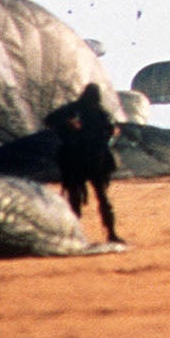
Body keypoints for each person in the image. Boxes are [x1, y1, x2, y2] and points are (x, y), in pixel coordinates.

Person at [45, 83, 121, 242]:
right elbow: (50, 120)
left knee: (87, 198)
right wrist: (68, 124)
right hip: (80, 160)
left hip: (88, 161)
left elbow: (109, 130)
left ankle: (87, 234)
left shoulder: (98, 113)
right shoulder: (81, 111)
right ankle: (105, 233)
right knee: (90, 198)